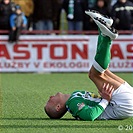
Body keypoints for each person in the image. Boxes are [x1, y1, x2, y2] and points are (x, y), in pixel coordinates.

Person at [44, 10, 133, 121]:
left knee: (101, 71)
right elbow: (90, 116)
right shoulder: (72, 104)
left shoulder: (74, 95)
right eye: (49, 101)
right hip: (121, 105)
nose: (50, 97)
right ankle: (105, 36)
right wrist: (105, 100)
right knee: (93, 74)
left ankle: (103, 30)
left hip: (123, 100)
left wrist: (102, 71)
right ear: (58, 107)